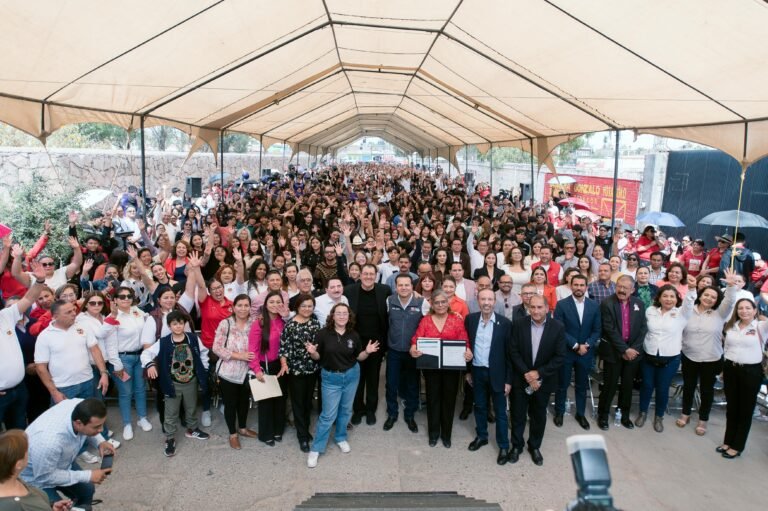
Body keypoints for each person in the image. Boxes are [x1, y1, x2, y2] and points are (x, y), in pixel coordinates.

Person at [305, 303, 380, 468]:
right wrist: (312, 352)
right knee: (328, 415)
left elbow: (358, 357)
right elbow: (317, 357)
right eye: (338, 313)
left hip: (352, 375)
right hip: (331, 378)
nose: (341, 316)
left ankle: (340, 437)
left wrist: (367, 351)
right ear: (332, 316)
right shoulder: (323, 334)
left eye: (344, 313)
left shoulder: (353, 334)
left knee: (346, 410)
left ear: (349, 316)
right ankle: (316, 449)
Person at [20, 399, 115, 510]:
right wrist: (88, 475)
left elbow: (91, 426)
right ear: (78, 423)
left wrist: (100, 442)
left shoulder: (80, 406)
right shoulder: (50, 442)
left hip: (60, 462)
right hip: (37, 479)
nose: (101, 430)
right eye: (96, 427)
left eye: (102, 424)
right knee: (61, 507)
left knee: (87, 490)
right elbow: (45, 476)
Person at [678, 270, 738, 436]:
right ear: (700, 294)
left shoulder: (720, 313)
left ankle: (703, 419)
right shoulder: (689, 310)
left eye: (713, 297)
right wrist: (691, 288)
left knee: (706, 390)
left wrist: (731, 285)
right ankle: (686, 414)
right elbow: (688, 300)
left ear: (717, 300)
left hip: (712, 358)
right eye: (706, 295)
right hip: (689, 356)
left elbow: (730, 300)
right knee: (688, 387)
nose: (709, 298)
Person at [141, 311, 211, 457]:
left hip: (191, 380)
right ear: (169, 325)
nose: (178, 326)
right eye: (174, 324)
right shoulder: (164, 342)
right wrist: (150, 365)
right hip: (172, 383)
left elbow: (203, 353)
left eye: (180, 323)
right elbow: (146, 353)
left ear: (184, 324)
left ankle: (192, 429)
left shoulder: (192, 338)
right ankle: (170, 437)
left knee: (191, 406)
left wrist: (203, 368)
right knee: (171, 412)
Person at [507, 295, 565, 466]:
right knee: (517, 415)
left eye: (540, 307)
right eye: (533, 307)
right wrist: (527, 373)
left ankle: (534, 446)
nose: (536, 311)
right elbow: (513, 351)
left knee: (538, 415)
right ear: (528, 308)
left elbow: (560, 356)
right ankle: (516, 446)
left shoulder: (558, 327)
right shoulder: (518, 324)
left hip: (544, 381)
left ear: (547, 308)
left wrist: (538, 373)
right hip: (521, 378)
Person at [410, 290, 472, 449]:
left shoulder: (456, 320)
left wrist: (468, 351)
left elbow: (464, 340)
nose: (440, 305)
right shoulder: (426, 320)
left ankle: (446, 435)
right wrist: (413, 348)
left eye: (443, 302)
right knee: (433, 400)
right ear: (432, 304)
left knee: (449, 401)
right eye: (437, 302)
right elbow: (416, 338)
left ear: (448, 303)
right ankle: (433, 434)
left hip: (451, 368)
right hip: (431, 368)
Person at [635, 282, 696, 432]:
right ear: (659, 298)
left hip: (670, 358)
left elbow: (689, 303)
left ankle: (659, 416)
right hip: (648, 355)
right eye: (665, 296)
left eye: (672, 296)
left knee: (662, 388)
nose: (668, 299)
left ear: (677, 299)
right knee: (647, 386)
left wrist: (693, 289)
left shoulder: (682, 313)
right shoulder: (650, 310)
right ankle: (643, 413)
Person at [465, 289, 513, 465]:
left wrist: (508, 380)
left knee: (500, 412)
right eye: (483, 299)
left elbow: (510, 355)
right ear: (478, 301)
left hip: (498, 374)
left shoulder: (505, 324)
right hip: (477, 371)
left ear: (495, 302)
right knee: (480, 407)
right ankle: (482, 436)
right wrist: (468, 371)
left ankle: (503, 445)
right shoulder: (470, 320)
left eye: (490, 299)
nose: (486, 302)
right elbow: (467, 346)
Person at [717, 298, 767, 459]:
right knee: (732, 408)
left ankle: (737, 446)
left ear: (754, 310)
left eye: (748, 308)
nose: (744, 311)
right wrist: (724, 370)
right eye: (740, 308)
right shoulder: (732, 326)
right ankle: (727, 441)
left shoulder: (761, 327)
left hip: (751, 372)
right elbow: (727, 348)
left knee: (745, 410)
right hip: (731, 369)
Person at [0, 264, 48, 430]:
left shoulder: (5, 316)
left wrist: (40, 280)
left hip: (19, 390)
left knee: (19, 433)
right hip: (2, 396)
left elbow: (28, 299)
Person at [102, 287, 151, 440]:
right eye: (121, 296)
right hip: (123, 359)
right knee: (125, 392)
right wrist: (116, 364)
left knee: (140, 389)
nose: (126, 299)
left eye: (129, 296)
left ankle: (142, 418)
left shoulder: (137, 311)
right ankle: (127, 423)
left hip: (139, 356)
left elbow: (148, 320)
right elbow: (108, 341)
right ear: (115, 300)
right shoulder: (112, 317)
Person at [344, 263, 390, 426]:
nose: (369, 277)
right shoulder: (349, 291)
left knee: (373, 377)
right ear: (360, 275)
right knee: (357, 377)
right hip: (355, 342)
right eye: (366, 274)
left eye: (372, 274)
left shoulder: (384, 290)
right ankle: (358, 409)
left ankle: (371, 410)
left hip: (376, 341)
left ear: (376, 275)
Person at [553, 274, 601, 430]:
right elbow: (560, 329)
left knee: (582, 385)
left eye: (582, 285)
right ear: (571, 286)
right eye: (576, 285)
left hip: (586, 352)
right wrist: (575, 345)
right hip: (567, 351)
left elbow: (597, 330)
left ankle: (580, 414)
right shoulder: (561, 305)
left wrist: (586, 345)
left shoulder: (594, 305)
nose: (579, 288)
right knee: (562, 384)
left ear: (586, 287)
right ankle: (559, 412)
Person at [212, 294, 257, 450]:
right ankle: (233, 434)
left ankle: (243, 428)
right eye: (240, 305)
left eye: (246, 305)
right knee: (230, 404)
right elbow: (216, 347)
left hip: (248, 371)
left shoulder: (255, 323)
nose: (243, 308)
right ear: (233, 307)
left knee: (244, 401)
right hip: (228, 372)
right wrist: (240, 356)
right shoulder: (226, 324)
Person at [383, 274, 427, 434]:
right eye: (400, 285)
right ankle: (392, 414)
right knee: (391, 384)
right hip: (394, 351)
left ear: (412, 286)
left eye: (407, 285)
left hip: (412, 352)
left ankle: (410, 415)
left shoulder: (421, 302)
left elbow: (429, 323)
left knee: (412, 385)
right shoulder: (389, 301)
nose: (403, 288)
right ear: (396, 286)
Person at [279, 294, 321, 452]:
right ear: (297, 307)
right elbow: (283, 348)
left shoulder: (315, 323)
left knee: (307, 402)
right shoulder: (290, 325)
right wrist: (284, 363)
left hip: (312, 369)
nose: (307, 309)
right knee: (298, 403)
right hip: (296, 370)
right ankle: (302, 436)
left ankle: (305, 430)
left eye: (310, 306)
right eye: (304, 306)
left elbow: (320, 346)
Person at [248, 291, 288, 445]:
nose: (275, 305)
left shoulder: (283, 321)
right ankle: (266, 434)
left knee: (280, 399)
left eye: (278, 302)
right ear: (265, 304)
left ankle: (278, 430)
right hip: (265, 365)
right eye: (272, 302)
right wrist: (256, 369)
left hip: (281, 364)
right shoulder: (259, 323)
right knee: (266, 402)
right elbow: (253, 349)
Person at [0, 430, 74, 511]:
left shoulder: (11, 478)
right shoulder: (18, 505)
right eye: (26, 452)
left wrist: (51, 507)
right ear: (18, 464)